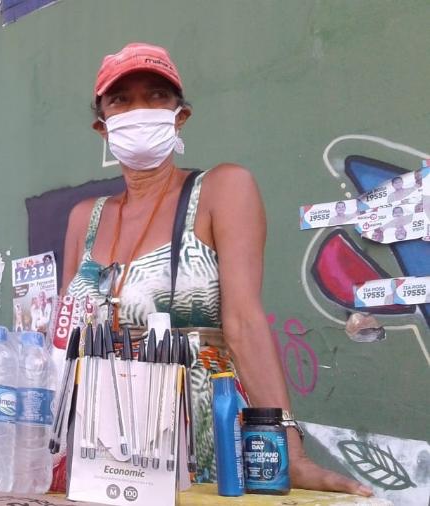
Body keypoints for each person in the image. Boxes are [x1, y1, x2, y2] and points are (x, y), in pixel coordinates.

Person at [61, 42, 372, 496]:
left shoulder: (221, 190)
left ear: (179, 115)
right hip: (97, 450)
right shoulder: (82, 218)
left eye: (156, 96)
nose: (140, 109)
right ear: (102, 126)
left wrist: (291, 451)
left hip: (199, 442)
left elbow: (243, 322)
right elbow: (61, 343)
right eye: (121, 100)